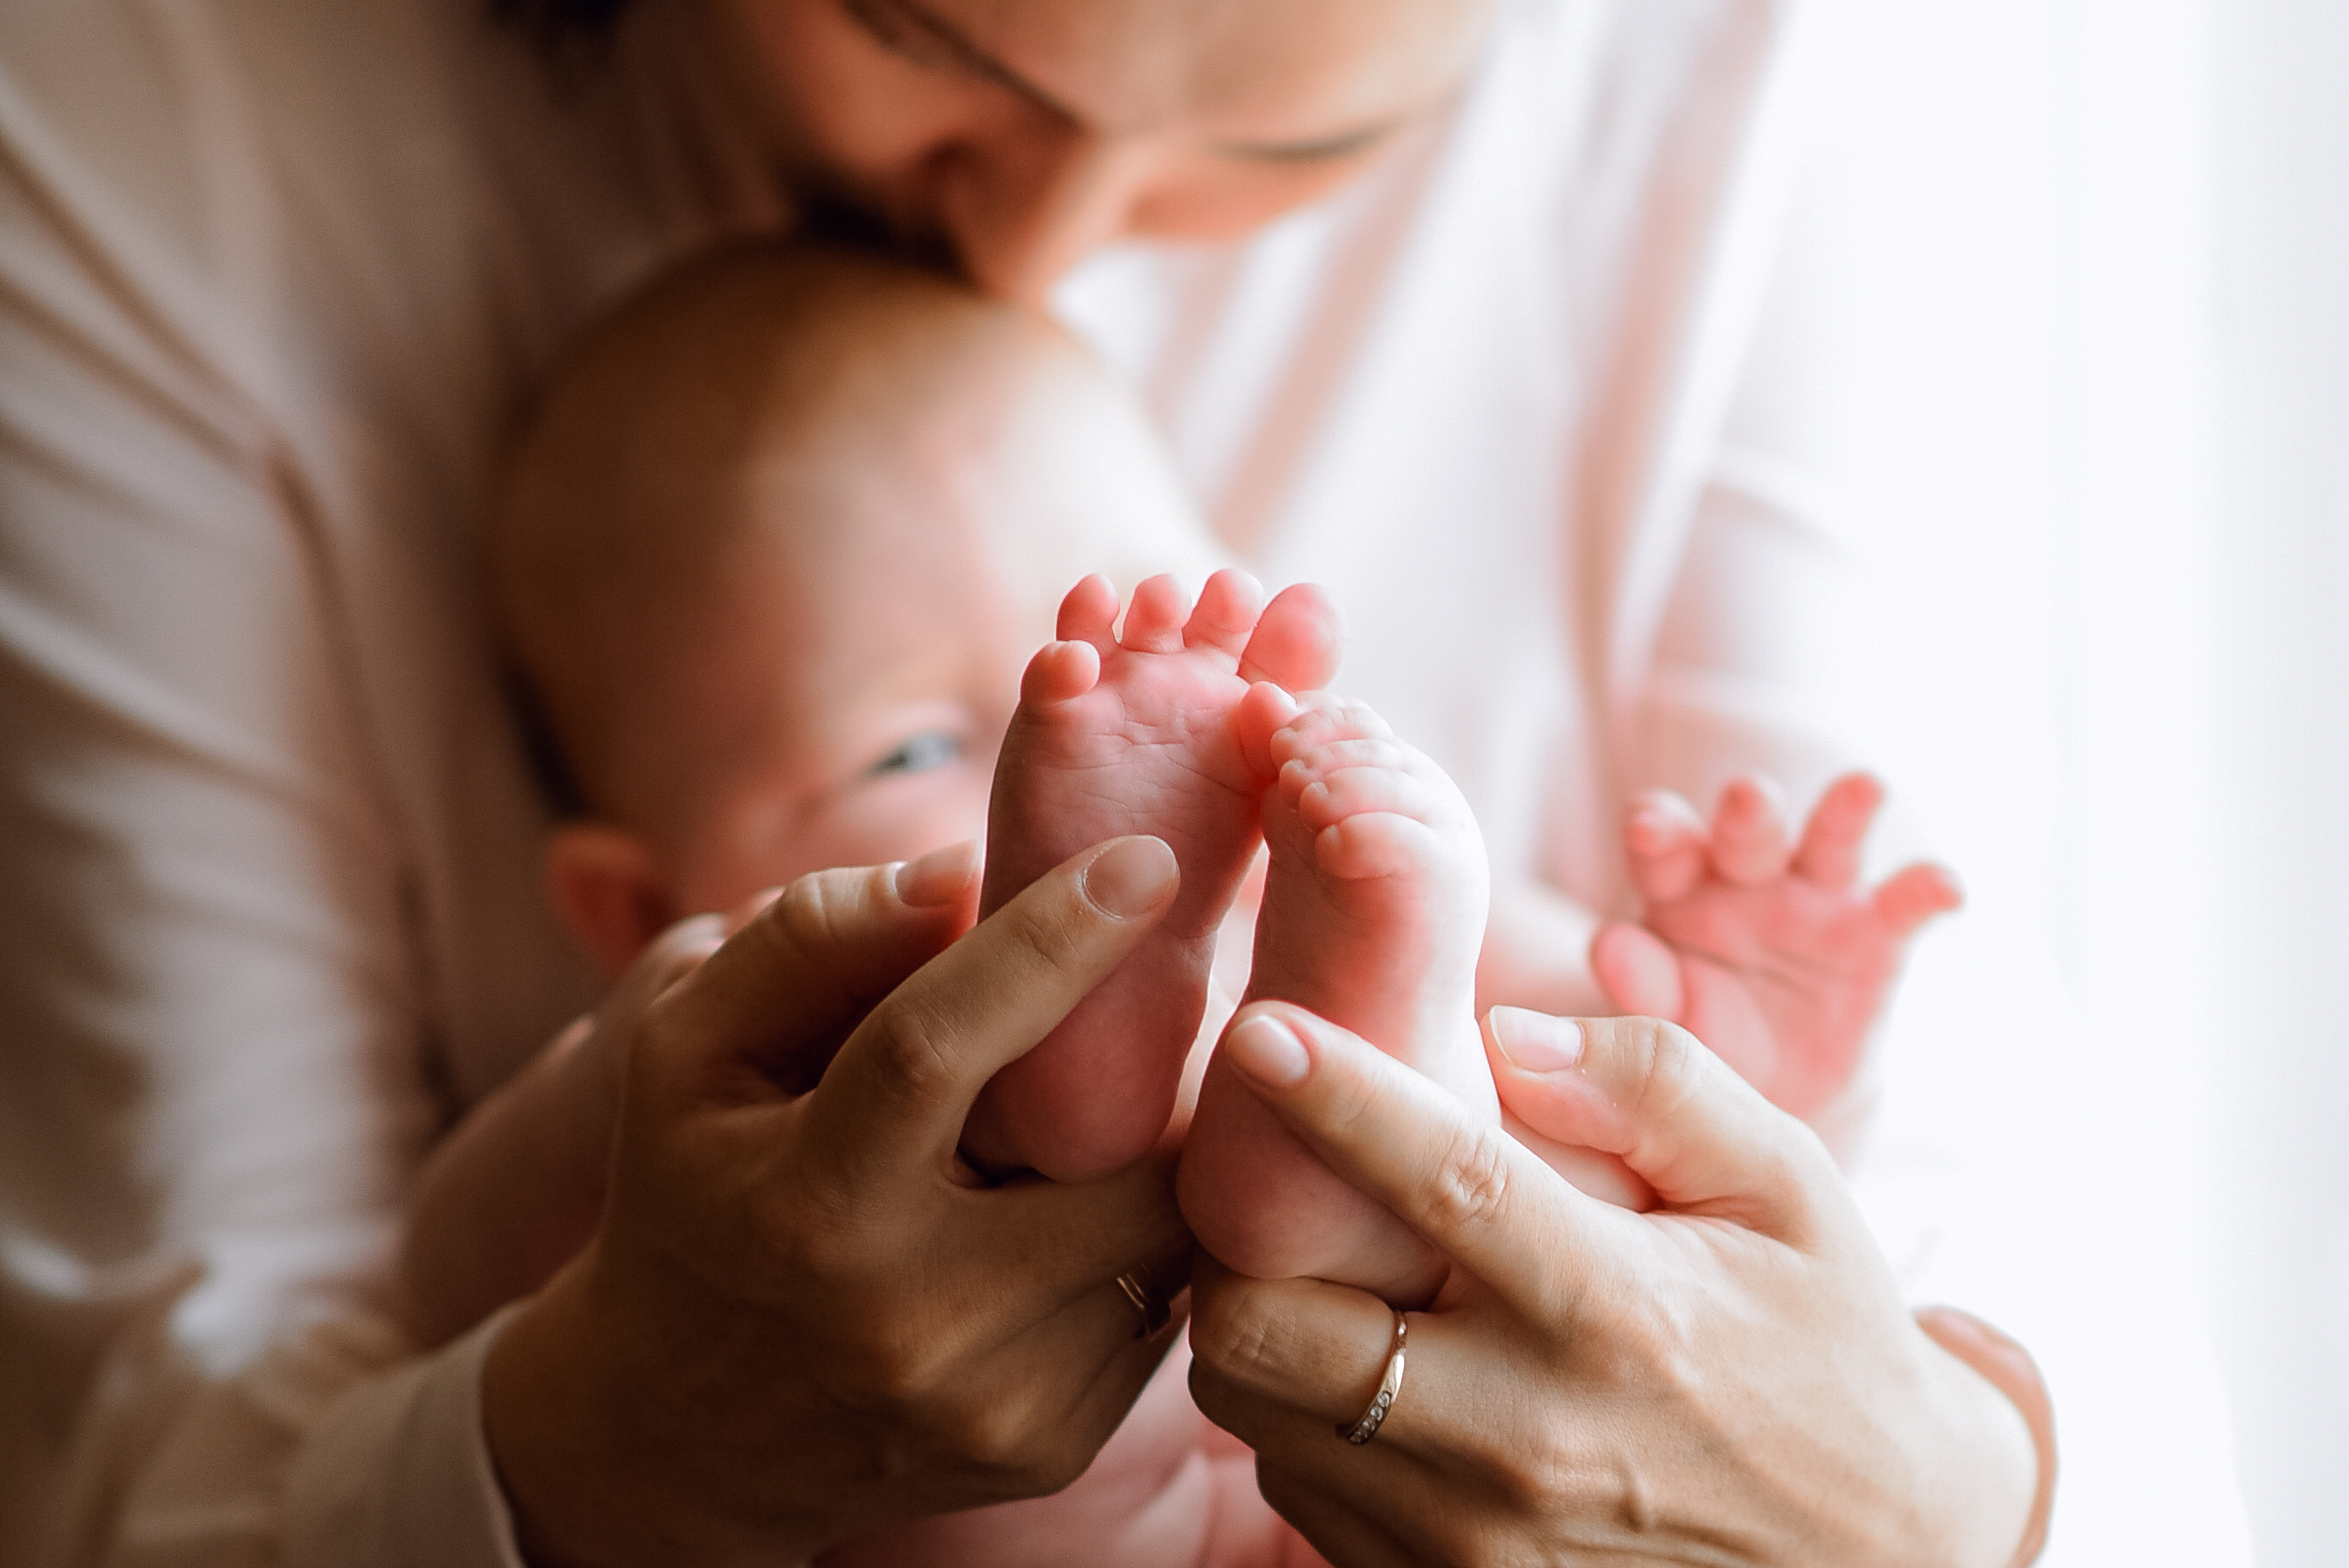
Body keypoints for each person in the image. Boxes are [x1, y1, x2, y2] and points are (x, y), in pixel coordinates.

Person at [0, 0, 2052, 1563]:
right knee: (1110, 1096)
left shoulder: (1756, 83)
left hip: (1324, 1500)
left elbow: (1885, 1332)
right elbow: (365, 1319)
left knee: (1514, 1133)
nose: (1041, 238)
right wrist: (596, 1396)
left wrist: (1740, 1048)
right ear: (620, 903)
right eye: (922, 33)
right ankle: (1212, 1087)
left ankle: (1346, 1040)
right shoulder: (662, 1032)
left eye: (1289, 135)